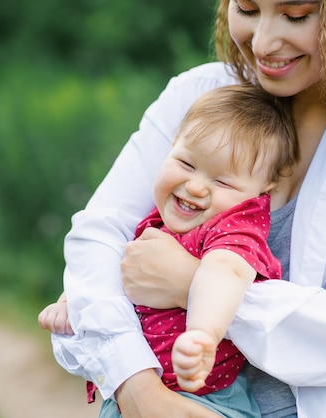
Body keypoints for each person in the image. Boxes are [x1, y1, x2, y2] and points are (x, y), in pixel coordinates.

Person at [44, 0, 326, 417]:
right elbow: (99, 239)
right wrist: (138, 389)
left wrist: (192, 284)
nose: (261, 42)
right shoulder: (200, 94)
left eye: (295, 15)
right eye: (247, 8)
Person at [40, 84, 299, 417]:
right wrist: (71, 302)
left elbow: (225, 272)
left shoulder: (235, 228)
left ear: (263, 191)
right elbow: (118, 267)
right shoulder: (157, 220)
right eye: (187, 163)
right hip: (128, 391)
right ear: (172, 145)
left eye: (222, 182)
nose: (194, 185)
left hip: (207, 399)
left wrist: (203, 333)